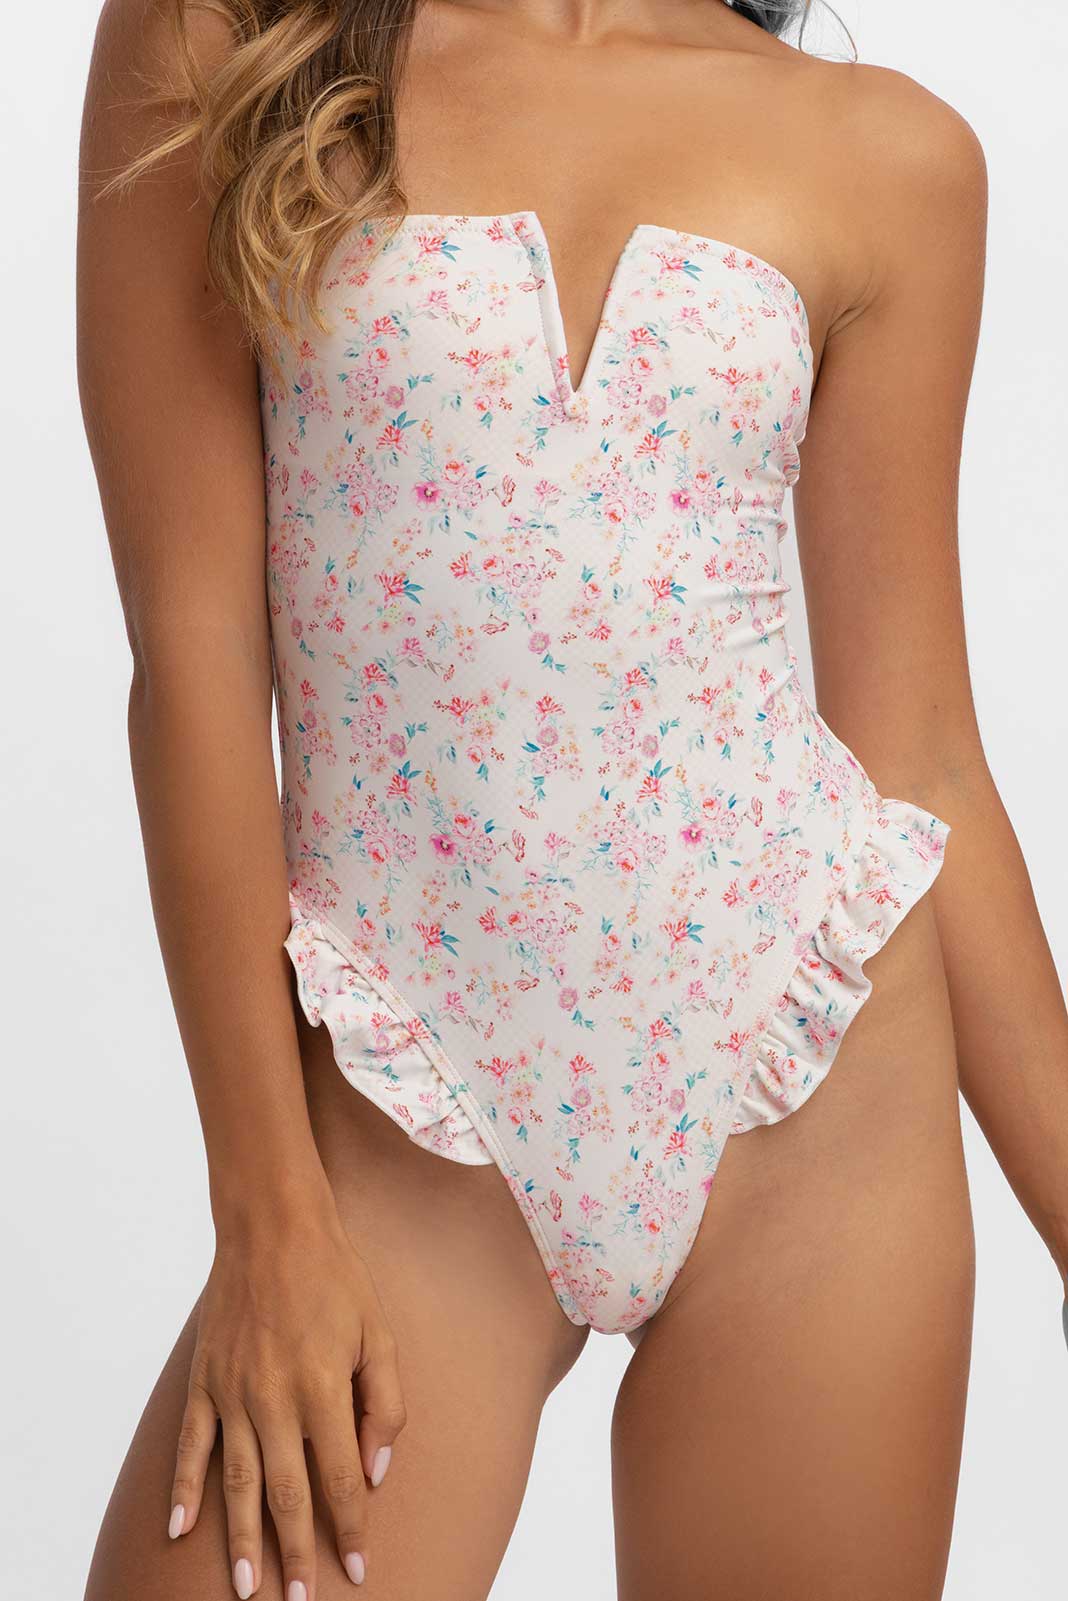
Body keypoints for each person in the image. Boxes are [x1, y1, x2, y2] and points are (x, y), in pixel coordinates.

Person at [77, 1, 1068, 1597]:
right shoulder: (237, 39)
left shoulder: (889, 153)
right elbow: (189, 657)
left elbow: (922, 754)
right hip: (405, 1128)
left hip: (811, 1116)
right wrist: (265, 1215)